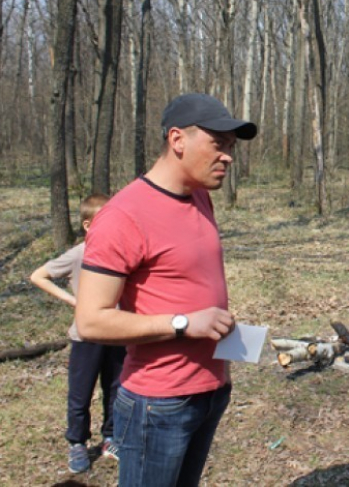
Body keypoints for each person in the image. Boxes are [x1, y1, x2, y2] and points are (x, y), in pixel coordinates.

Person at [75, 93, 257, 486]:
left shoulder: (200, 198)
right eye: (218, 144)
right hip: (158, 404)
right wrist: (182, 322)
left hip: (209, 391)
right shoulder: (122, 216)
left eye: (230, 148)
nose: (228, 157)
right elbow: (90, 322)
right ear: (178, 140)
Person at [29, 193, 125, 474]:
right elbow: (38, 276)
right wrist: (73, 301)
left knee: (116, 389)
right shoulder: (79, 255)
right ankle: (77, 443)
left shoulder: (121, 253)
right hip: (86, 337)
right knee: (80, 394)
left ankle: (111, 438)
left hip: (117, 334)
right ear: (87, 225)